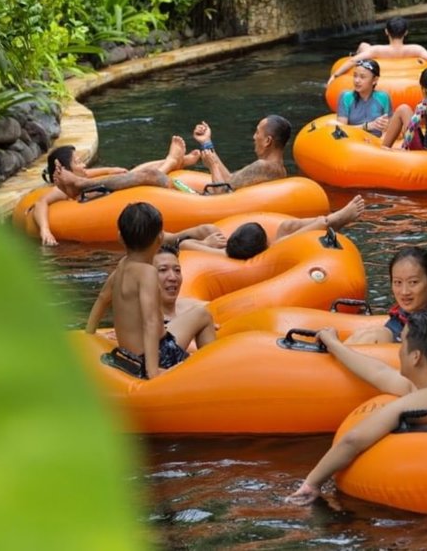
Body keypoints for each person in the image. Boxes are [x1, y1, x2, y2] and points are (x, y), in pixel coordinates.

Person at [284, 309, 427, 505]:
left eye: (403, 343)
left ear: (415, 357)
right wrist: (333, 344)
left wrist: (311, 484)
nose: (400, 350)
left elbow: (353, 439)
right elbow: (380, 373)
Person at [86, 202, 216, 379]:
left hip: (128, 354)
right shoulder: (147, 273)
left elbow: (103, 298)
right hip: (156, 355)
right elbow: (151, 322)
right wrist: (153, 371)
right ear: (160, 238)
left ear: (120, 237)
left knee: (191, 319)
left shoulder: (122, 266)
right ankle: (212, 371)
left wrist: (89, 334)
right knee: (203, 315)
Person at [33, 137, 199, 246]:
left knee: (134, 171)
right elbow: (41, 202)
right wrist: (45, 230)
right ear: (64, 171)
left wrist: (110, 169)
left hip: (101, 191)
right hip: (103, 201)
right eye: (77, 162)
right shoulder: (62, 189)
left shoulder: (75, 180)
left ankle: (175, 161)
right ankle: (171, 161)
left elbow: (90, 174)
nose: (83, 166)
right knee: (148, 175)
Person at [165, 195, 366, 260]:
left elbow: (183, 245)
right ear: (266, 244)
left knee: (287, 225)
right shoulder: (274, 249)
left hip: (221, 249)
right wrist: (332, 219)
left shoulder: (221, 253)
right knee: (290, 232)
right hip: (282, 251)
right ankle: (338, 219)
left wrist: (207, 243)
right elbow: (318, 226)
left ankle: (336, 218)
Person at [327, 16, 427, 85]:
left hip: (381, 58)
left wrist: (335, 75)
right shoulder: (415, 49)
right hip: (406, 60)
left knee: (364, 46)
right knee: (365, 46)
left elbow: (353, 61)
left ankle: (360, 50)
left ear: (386, 32)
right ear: (406, 32)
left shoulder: (377, 50)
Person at [191, 115, 291, 192]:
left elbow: (221, 193)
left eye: (257, 132)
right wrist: (206, 143)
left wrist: (213, 167)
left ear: (267, 141)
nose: (254, 137)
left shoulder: (263, 166)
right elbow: (229, 179)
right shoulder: (281, 170)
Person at [335, 59, 391, 137]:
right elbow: (341, 130)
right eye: (355, 76)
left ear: (375, 80)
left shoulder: (383, 97)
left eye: (362, 77)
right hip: (353, 140)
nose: (357, 80)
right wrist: (367, 126)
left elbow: (389, 129)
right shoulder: (346, 97)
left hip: (376, 141)